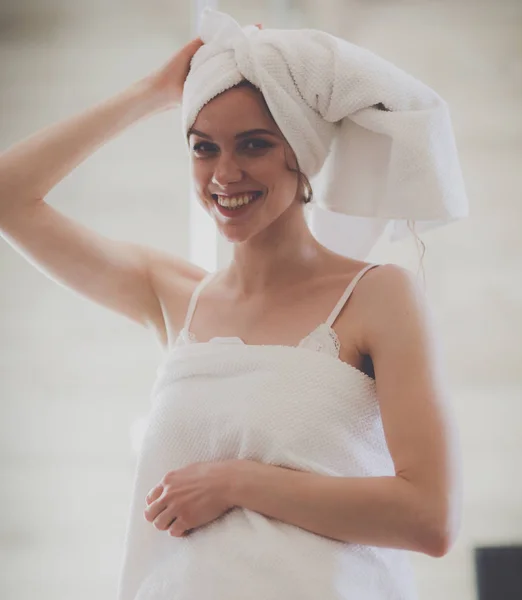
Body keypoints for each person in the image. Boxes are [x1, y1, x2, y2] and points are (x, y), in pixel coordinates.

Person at [0, 10, 464, 600]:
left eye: (254, 145)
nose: (224, 174)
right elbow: (8, 196)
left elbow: (429, 516)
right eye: (203, 148)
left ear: (302, 154)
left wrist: (238, 482)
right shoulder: (171, 295)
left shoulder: (376, 295)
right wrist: (151, 94)